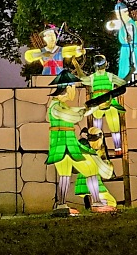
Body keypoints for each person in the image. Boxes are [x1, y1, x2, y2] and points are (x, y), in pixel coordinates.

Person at [46, 70, 113, 214]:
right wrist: (85, 110)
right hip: (64, 146)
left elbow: (78, 111)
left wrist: (94, 106)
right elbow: (73, 116)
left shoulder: (60, 105)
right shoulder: (56, 107)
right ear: (68, 88)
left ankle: (62, 205)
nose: (75, 91)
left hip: (64, 145)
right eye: (74, 88)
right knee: (90, 169)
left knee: (66, 174)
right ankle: (95, 203)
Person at [82, 54, 127, 153]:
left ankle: (117, 147)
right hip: (97, 103)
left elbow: (123, 83)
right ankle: (98, 145)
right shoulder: (93, 77)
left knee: (113, 122)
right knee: (98, 121)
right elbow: (83, 80)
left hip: (109, 102)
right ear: (105, 63)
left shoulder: (108, 76)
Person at [73, 127, 117, 210]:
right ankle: (94, 203)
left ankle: (93, 202)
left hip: (81, 183)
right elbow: (106, 173)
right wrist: (109, 165)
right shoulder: (93, 154)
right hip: (93, 184)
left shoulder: (83, 151)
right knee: (112, 202)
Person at [108, 0, 137, 79]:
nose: (118, 17)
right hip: (125, 50)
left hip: (133, 48)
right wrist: (111, 24)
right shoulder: (121, 23)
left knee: (135, 67)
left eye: (120, 14)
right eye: (117, 15)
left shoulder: (132, 23)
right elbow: (110, 25)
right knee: (124, 69)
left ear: (126, 13)